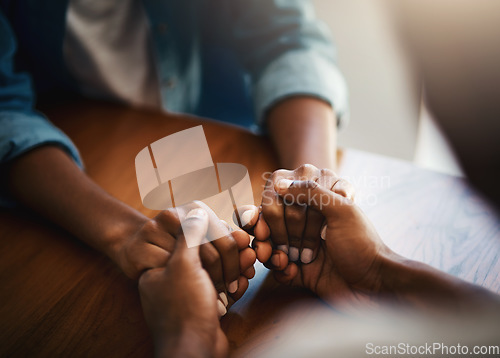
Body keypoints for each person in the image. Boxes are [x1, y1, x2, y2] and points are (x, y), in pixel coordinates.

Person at [0, 0, 347, 297]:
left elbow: (288, 39)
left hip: (224, 145)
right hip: (76, 162)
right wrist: (124, 234)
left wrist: (308, 188)